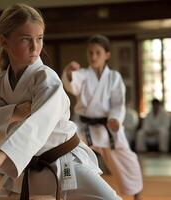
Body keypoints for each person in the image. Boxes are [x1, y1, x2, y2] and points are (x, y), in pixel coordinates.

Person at [0, 4, 121, 200]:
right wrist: (16, 112)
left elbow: (39, 123)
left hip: (64, 161)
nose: (35, 47)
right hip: (26, 167)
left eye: (40, 39)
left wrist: (3, 153)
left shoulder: (46, 78)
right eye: (26, 39)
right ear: (4, 41)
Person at [61, 35, 143, 200]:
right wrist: (69, 73)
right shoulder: (83, 74)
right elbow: (72, 84)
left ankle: (137, 195)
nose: (93, 57)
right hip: (84, 127)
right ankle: (67, 192)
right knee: (65, 152)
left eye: (98, 53)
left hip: (108, 126)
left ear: (107, 55)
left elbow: (118, 103)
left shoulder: (114, 77)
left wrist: (115, 119)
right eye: (90, 53)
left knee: (128, 159)